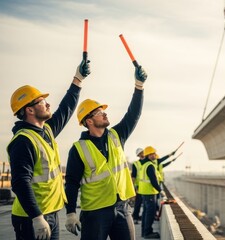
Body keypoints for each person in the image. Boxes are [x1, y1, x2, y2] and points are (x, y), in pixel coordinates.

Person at [7, 59, 90, 240]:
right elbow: (20, 182)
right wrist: (37, 217)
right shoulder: (23, 141)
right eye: (42, 101)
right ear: (29, 109)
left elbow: (65, 109)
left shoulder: (46, 130)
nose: (48, 104)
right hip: (31, 218)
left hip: (50, 213)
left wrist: (78, 79)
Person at [64, 64, 147, 240]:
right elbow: (71, 183)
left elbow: (133, 114)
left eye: (103, 110)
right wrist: (70, 212)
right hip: (95, 213)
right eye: (99, 112)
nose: (104, 113)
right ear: (89, 121)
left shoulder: (117, 135)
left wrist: (139, 86)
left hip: (122, 208)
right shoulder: (78, 149)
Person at [139, 146, 165, 239]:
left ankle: (144, 232)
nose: (155, 155)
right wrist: (160, 190)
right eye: (153, 153)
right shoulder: (150, 165)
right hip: (149, 193)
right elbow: (153, 181)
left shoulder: (144, 164)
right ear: (149, 155)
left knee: (146, 213)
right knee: (150, 213)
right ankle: (148, 233)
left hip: (144, 192)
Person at [131, 147, 146, 224]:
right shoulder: (136, 164)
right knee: (138, 202)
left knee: (145, 203)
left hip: (146, 186)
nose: (142, 155)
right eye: (140, 154)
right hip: (139, 186)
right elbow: (133, 176)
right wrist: (133, 188)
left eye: (142, 153)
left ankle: (139, 217)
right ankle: (135, 217)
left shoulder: (148, 162)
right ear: (138, 155)